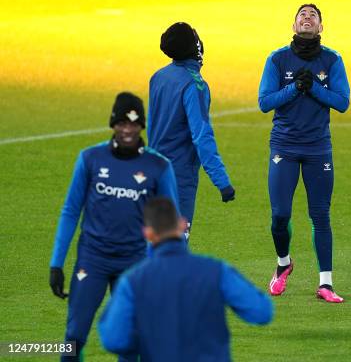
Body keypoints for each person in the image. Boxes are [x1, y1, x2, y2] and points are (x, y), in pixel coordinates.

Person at [49, 92, 179, 361]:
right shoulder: (90, 159)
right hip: (92, 260)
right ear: (113, 124)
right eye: (122, 124)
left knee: (130, 342)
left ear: (142, 126)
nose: (128, 130)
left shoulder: (159, 167)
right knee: (73, 337)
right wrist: (56, 263)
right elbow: (71, 211)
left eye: (134, 124)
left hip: (135, 263)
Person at [98, 197, 273, 361]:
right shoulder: (216, 271)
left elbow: (113, 339)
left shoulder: (132, 281)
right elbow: (261, 311)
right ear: (182, 225)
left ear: (148, 234)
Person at [258, 4, 350, 303]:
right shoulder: (277, 59)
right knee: (280, 215)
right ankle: (283, 263)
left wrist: (315, 90)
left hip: (318, 147)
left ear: (321, 26)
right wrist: (295, 88)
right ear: (294, 25)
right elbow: (265, 102)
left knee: (320, 215)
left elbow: (342, 102)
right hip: (284, 146)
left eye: (313, 15)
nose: (307, 17)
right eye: (302, 15)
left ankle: (326, 284)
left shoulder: (332, 60)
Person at [148, 22, 235, 240]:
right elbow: (201, 134)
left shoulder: (158, 76)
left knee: (154, 240)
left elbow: (152, 126)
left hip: (152, 169)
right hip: (178, 175)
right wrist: (222, 181)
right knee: (175, 243)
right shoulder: (194, 85)